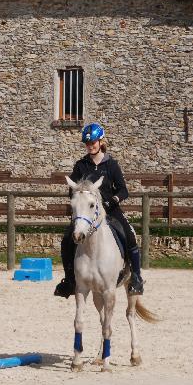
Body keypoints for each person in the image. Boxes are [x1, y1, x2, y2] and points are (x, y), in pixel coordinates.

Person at [54, 122, 144, 298]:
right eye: (87, 143)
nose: (90, 146)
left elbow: (123, 190)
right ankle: (69, 280)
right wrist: (77, 196)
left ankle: (136, 278)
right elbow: (71, 190)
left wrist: (113, 201)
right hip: (88, 213)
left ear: (100, 141)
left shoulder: (111, 164)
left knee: (129, 235)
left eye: (93, 142)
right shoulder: (81, 165)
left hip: (111, 211)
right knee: (66, 240)